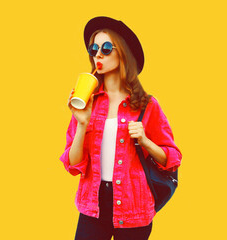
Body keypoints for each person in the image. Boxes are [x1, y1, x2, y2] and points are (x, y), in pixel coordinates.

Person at [60, 16, 182, 240]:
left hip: (134, 206)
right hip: (92, 206)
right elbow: (73, 165)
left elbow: (173, 158)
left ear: (123, 53)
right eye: (93, 48)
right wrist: (82, 123)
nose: (98, 53)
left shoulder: (147, 104)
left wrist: (145, 141)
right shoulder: (86, 101)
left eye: (106, 47)